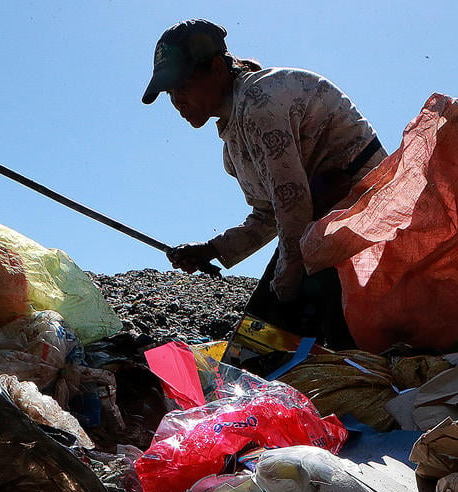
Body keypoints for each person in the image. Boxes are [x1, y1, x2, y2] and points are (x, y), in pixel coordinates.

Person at [142, 19, 385, 350]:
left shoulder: (260, 102)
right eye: (170, 93)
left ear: (216, 67)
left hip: (365, 211)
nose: (177, 101)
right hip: (318, 226)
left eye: (182, 86)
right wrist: (211, 250)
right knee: (261, 336)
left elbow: (293, 203)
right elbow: (270, 214)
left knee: (293, 322)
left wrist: (287, 279)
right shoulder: (234, 143)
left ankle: (352, 372)